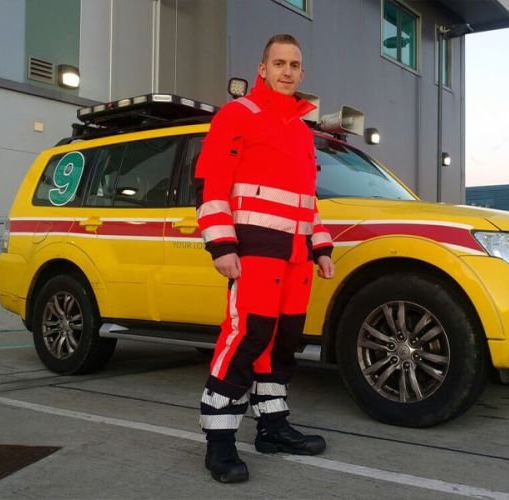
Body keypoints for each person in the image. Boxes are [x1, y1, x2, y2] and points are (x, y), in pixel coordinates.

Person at [194, 33, 335, 483]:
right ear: (263, 69)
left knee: (283, 342)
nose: (287, 71)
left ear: (302, 72)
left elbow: (307, 199)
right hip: (254, 252)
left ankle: (272, 426)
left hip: (295, 258)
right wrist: (222, 244)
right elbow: (212, 183)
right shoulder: (238, 115)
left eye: (295, 64)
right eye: (279, 63)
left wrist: (321, 245)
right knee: (246, 337)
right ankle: (219, 441)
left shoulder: (300, 130)